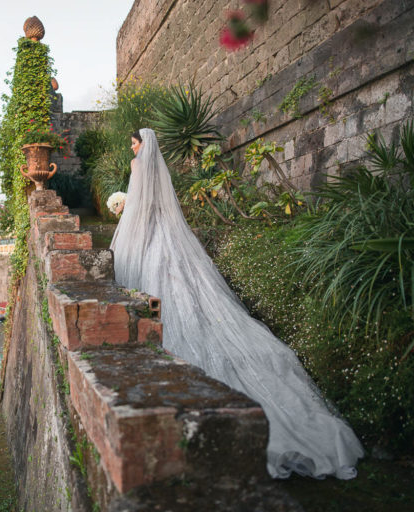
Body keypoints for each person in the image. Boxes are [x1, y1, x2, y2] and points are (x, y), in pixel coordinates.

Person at [110, 128, 364, 479]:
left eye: (133, 141)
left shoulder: (139, 166)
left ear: (141, 145)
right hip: (168, 236)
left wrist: (123, 229)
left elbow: (137, 210)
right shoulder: (158, 167)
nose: (131, 146)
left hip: (149, 238)